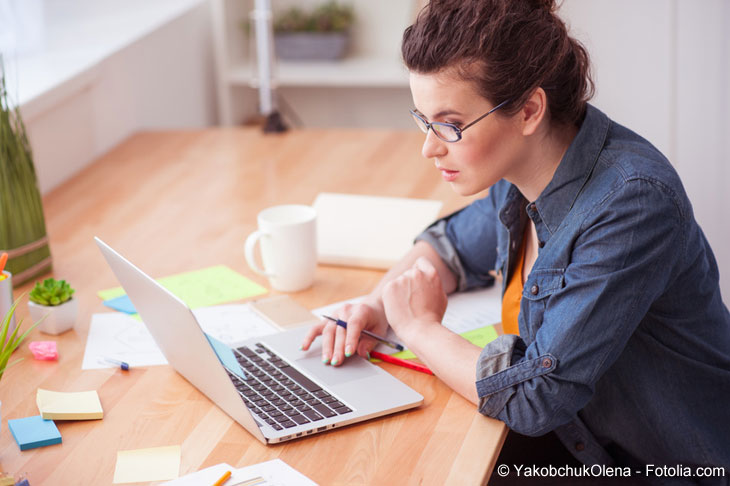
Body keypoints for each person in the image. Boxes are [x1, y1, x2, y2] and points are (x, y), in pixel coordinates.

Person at [301, 0, 730, 483]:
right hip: (578, 440)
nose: (430, 147)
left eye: (450, 125)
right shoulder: (524, 166)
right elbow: (450, 246)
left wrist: (417, 327)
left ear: (528, 110)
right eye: (423, 120)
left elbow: (536, 397)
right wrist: (377, 304)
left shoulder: (631, 206)